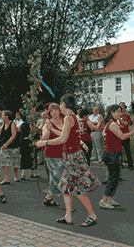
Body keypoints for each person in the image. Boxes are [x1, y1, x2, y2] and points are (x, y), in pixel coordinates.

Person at [36, 93, 101, 227]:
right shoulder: (72, 118)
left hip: (73, 157)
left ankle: (92, 215)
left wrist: (45, 143)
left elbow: (62, 139)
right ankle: (68, 216)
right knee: (66, 188)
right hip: (71, 156)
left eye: (60, 104)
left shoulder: (69, 118)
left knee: (77, 189)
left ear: (63, 104)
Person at [100, 105, 134, 210]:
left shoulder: (112, 123)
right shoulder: (112, 124)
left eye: (120, 112)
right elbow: (122, 136)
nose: (120, 114)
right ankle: (104, 200)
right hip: (111, 153)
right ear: (112, 113)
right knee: (113, 177)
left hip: (113, 152)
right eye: (117, 112)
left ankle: (109, 197)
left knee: (115, 177)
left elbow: (106, 133)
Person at [40, 103, 65, 207]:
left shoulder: (65, 121)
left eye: (56, 110)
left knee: (55, 177)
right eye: (52, 111)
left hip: (63, 152)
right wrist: (47, 131)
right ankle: (66, 203)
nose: (54, 113)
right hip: (51, 153)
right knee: (58, 176)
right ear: (49, 113)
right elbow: (43, 139)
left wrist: (54, 130)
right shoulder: (48, 123)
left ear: (60, 110)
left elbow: (66, 136)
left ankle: (48, 198)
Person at [0, 110, 20, 184]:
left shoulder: (12, 124)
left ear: (7, 116)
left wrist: (6, 144)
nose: (1, 117)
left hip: (13, 146)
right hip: (4, 146)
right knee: (4, 162)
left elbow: (14, 135)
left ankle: (15, 176)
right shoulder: (3, 124)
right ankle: (6, 178)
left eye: (2, 115)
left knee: (15, 162)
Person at [19, 114, 39, 179]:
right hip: (30, 142)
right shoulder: (31, 125)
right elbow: (35, 132)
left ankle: (23, 174)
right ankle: (32, 173)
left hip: (23, 143)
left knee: (24, 158)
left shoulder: (22, 125)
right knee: (32, 157)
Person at [118, 103, 134, 171]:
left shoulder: (127, 115)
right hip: (119, 135)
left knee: (127, 150)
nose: (121, 110)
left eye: (122, 108)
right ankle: (120, 165)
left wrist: (123, 123)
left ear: (125, 108)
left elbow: (128, 123)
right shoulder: (117, 116)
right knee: (119, 151)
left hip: (125, 135)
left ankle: (130, 165)